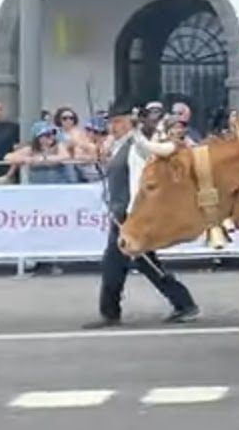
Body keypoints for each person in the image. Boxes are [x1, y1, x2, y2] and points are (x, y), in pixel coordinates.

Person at [82, 101, 200, 329]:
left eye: (118, 122)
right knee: (142, 263)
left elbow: (138, 181)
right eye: (111, 123)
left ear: (131, 121)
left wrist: (133, 214)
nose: (113, 127)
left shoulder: (136, 146)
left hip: (129, 215)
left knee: (120, 263)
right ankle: (182, 303)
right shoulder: (120, 145)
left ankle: (112, 312)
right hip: (122, 214)